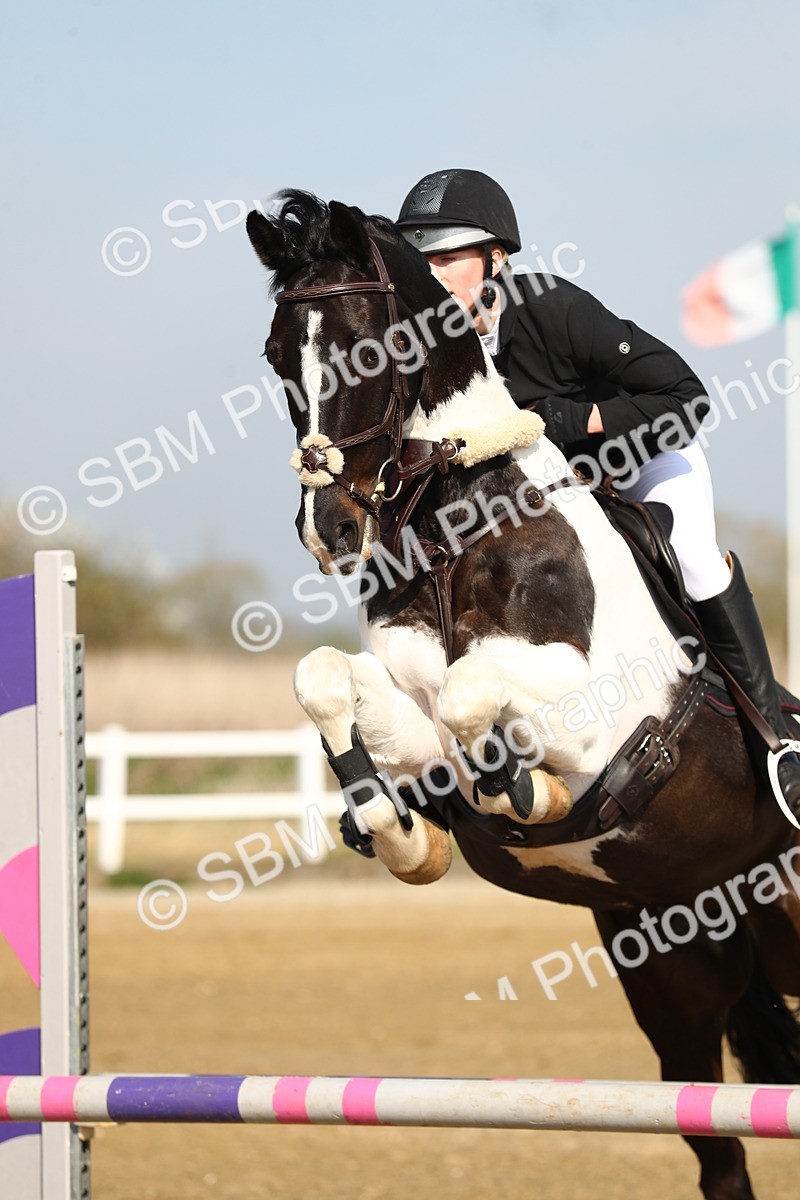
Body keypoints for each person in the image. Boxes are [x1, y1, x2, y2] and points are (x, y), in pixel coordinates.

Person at [395, 167, 800, 811]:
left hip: (644, 456)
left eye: (449, 257)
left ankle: (777, 743)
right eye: (422, 260)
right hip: (554, 493)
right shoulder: (428, 354)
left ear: (496, 260)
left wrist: (564, 421)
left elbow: (684, 397)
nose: (433, 275)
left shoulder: (553, 309)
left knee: (694, 558)